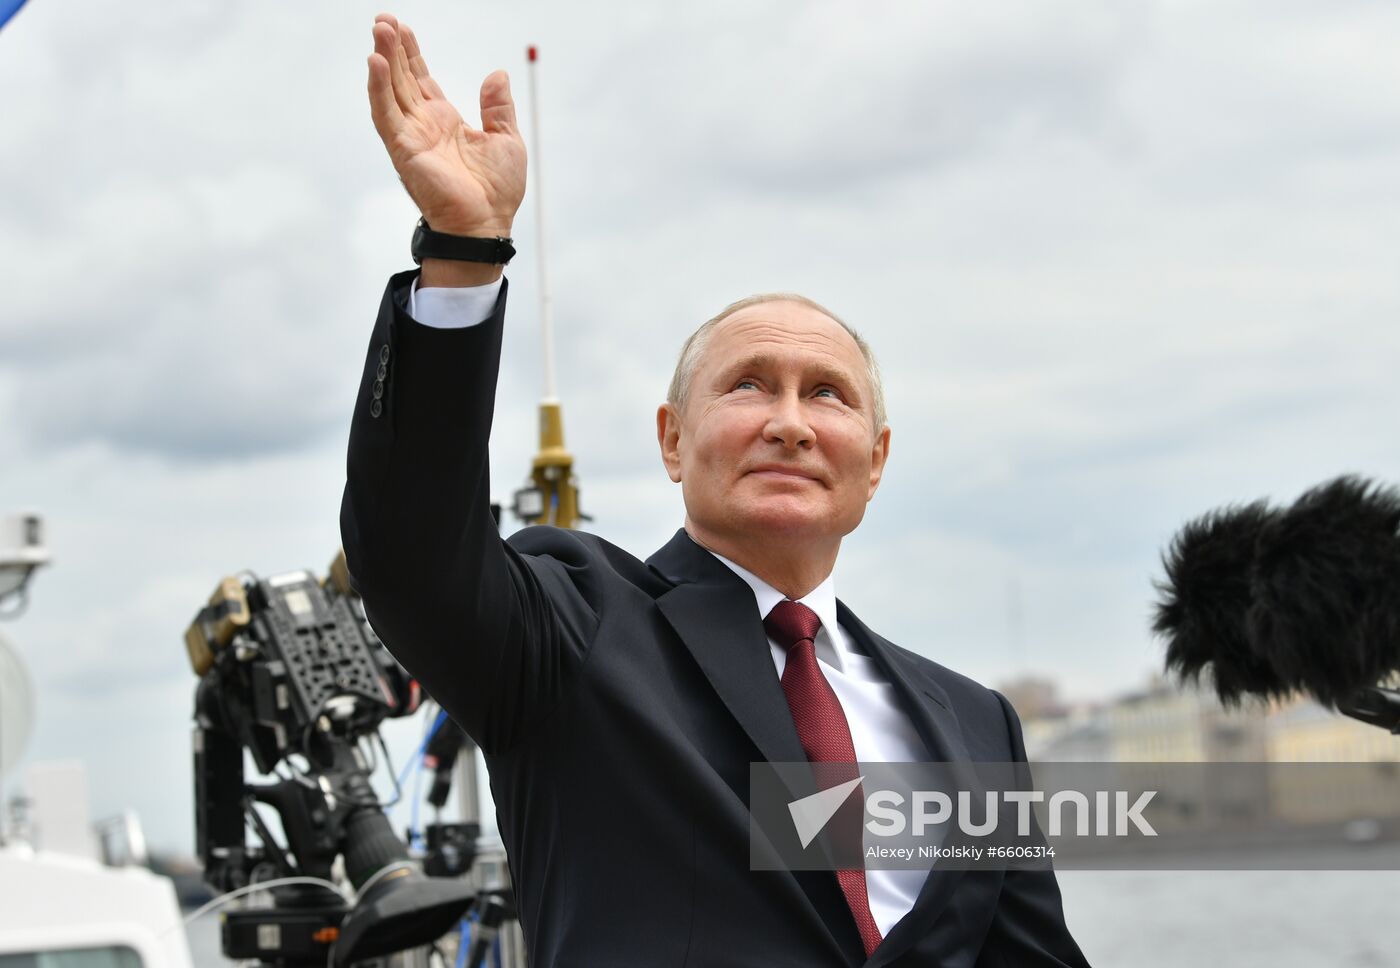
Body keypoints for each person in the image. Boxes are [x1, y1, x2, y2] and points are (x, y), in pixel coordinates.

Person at [341, 13, 1091, 967]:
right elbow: (412, 550)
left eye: (827, 394)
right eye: (748, 385)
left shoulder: (977, 724)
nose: (790, 421)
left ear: (876, 461)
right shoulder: (574, 633)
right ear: (672, 440)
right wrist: (464, 251)